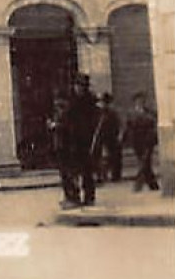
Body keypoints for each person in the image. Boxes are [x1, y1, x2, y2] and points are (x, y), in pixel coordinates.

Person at [64, 73, 99, 206]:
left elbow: (95, 119)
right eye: (77, 85)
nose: (79, 88)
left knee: (87, 171)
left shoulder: (89, 101)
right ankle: (74, 197)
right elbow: (67, 118)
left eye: (82, 86)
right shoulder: (71, 100)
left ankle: (89, 197)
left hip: (86, 141)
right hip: (73, 141)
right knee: (73, 170)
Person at [47, 93, 79, 207]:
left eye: (60, 106)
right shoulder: (59, 116)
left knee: (69, 174)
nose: (58, 109)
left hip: (67, 149)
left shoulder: (67, 117)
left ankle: (73, 198)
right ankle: (69, 197)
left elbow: (68, 130)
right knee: (64, 175)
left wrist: (55, 126)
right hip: (60, 149)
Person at [123, 92, 159, 192]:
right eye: (138, 101)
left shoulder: (150, 112)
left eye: (142, 101)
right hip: (137, 142)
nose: (140, 102)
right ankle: (153, 184)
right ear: (135, 102)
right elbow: (128, 127)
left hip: (148, 141)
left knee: (145, 162)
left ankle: (137, 186)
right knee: (145, 163)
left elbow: (154, 123)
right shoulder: (131, 113)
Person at [92, 92, 122, 182]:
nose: (102, 104)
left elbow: (118, 124)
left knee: (114, 156)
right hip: (99, 137)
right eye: (101, 102)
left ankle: (115, 175)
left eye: (105, 102)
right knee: (98, 157)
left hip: (111, 137)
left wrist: (119, 135)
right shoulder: (96, 113)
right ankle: (100, 175)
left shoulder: (112, 113)